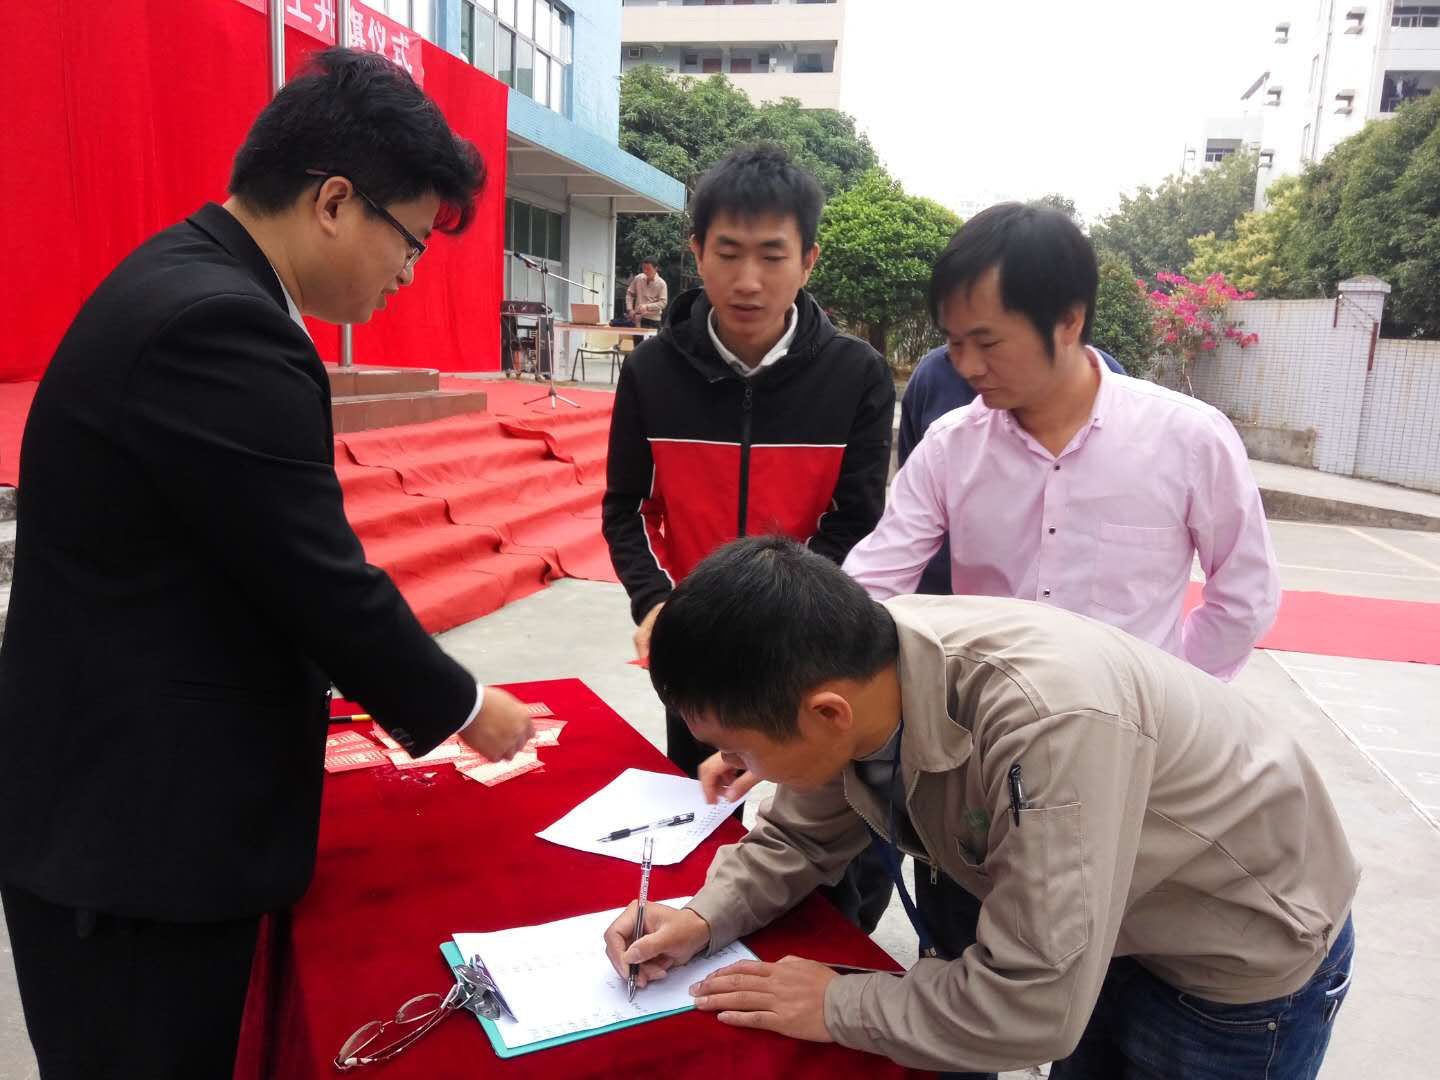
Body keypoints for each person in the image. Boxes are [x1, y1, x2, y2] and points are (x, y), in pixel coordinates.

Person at [0, 49, 535, 1080]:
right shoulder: (221, 323)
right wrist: (468, 706)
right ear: (334, 202)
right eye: (410, 242)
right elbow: (316, 577)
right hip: (134, 851)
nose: (409, 273)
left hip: (118, 811)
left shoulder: (192, 278)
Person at [604, 537, 1359, 1079]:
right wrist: (703, 918)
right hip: (1115, 927)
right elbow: (799, 838)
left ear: (828, 713)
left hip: (1232, 960)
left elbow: (1035, 1005)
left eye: (739, 751)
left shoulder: (1045, 728)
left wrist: (839, 1003)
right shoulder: (852, 670)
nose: (733, 771)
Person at [600, 144, 896, 931]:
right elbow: (625, 507)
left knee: (827, 853)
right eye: (728, 253)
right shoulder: (652, 372)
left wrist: (782, 620)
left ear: (809, 260)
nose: (748, 280)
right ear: (697, 252)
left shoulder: (857, 376)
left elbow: (858, 517)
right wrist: (657, 602)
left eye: (772, 255)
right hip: (695, 647)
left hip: (815, 652)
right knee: (697, 820)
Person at [845, 203, 1280, 681]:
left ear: (1069, 322)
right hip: (985, 715)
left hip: (1135, 720)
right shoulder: (950, 447)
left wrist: (1174, 691)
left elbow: (1244, 595)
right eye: (954, 343)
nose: (967, 366)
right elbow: (877, 579)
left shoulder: (1188, 439)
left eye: (988, 344)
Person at [897, 342, 1126, 595]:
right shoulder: (934, 376)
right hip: (946, 597)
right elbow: (912, 500)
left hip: (1065, 595)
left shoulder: (1098, 380)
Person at [615, 256, 668, 330]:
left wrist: (647, 307)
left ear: (656, 269)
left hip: (653, 320)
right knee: (637, 338)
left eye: (648, 269)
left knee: (651, 338)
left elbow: (663, 303)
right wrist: (630, 309)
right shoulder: (638, 278)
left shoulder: (661, 283)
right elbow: (629, 294)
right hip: (637, 319)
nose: (645, 271)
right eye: (643, 268)